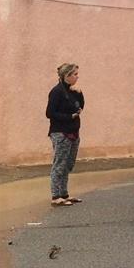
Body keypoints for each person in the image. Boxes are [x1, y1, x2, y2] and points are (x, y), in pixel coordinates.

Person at [46, 63, 84, 206]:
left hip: (73, 131)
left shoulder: (72, 91)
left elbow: (80, 106)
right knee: (59, 164)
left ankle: (64, 193)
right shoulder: (56, 92)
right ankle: (56, 196)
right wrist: (69, 117)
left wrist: (79, 94)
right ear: (66, 76)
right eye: (74, 74)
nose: (77, 76)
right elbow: (50, 113)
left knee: (68, 164)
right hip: (61, 133)